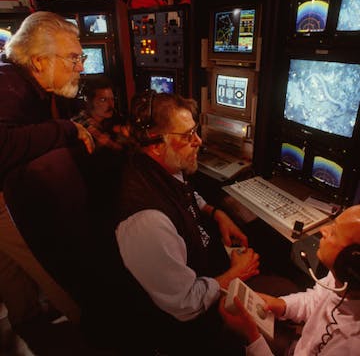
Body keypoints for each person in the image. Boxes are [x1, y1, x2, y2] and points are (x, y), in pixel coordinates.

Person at [114, 91, 260, 355]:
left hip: (207, 270)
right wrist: (235, 274)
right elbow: (186, 303)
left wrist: (216, 213)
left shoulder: (161, 166)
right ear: (156, 144)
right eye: (187, 136)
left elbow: (187, 193)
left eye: (196, 131)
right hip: (191, 330)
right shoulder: (146, 222)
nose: (199, 141)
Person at [0, 11, 96, 322]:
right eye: (72, 58)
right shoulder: (7, 85)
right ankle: (95, 328)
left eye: (80, 57)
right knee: (47, 258)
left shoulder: (21, 82)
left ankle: (28, 322)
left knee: (9, 264)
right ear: (39, 61)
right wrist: (66, 129)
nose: (80, 66)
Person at [219, 205, 360, 356]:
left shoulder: (350, 347)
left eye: (334, 232)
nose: (323, 230)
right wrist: (281, 305)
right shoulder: (341, 278)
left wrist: (252, 338)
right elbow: (316, 300)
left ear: (353, 261)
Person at [72, 76, 126, 152]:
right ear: (89, 102)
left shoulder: (110, 119)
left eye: (112, 99)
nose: (111, 105)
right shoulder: (81, 124)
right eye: (103, 100)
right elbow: (119, 148)